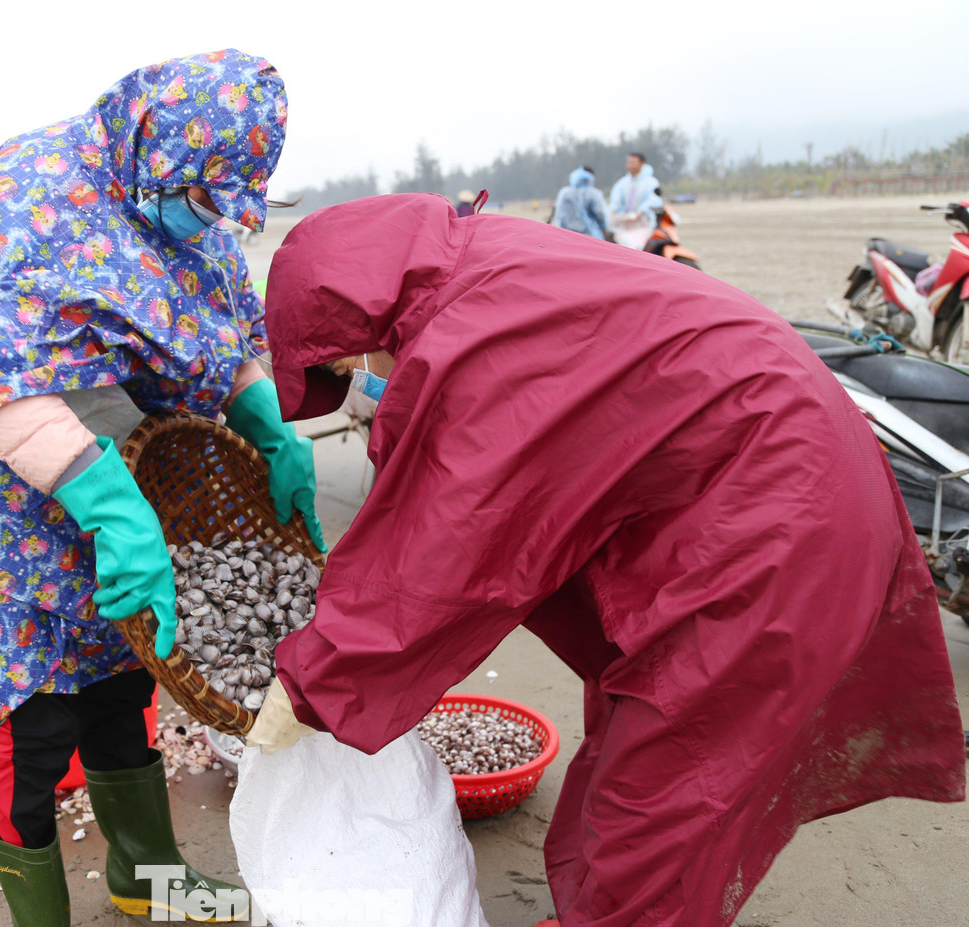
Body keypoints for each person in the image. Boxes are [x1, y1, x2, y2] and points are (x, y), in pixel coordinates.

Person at [247, 194, 965, 927]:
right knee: (637, 743)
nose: (363, 379)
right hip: (764, 476)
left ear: (365, 315)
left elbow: (439, 557)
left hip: (777, 522)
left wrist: (312, 682)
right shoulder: (485, 266)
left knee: (666, 789)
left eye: (349, 362)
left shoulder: (470, 335)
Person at [0, 49, 321, 927]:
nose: (212, 222)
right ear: (161, 156)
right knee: (33, 723)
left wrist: (265, 417)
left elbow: (215, 331)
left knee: (126, 688)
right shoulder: (28, 197)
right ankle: (40, 914)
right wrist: (114, 510)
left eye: (227, 207)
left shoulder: (185, 214)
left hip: (115, 467)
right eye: (203, 200)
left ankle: (144, 879)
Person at [608, 152, 662, 248]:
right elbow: (615, 202)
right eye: (629, 163)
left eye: (633, 163)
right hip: (625, 224)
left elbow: (654, 199)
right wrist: (612, 212)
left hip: (643, 224)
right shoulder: (622, 183)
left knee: (637, 246)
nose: (630, 165)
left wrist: (641, 211)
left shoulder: (650, 182)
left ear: (642, 164)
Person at [550, 166, 609, 239]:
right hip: (589, 237)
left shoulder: (564, 193)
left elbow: (559, 216)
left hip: (567, 237)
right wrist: (604, 229)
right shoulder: (593, 193)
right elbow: (600, 213)